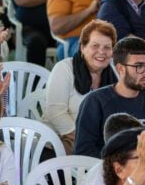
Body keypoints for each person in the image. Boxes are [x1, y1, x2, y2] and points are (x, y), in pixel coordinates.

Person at [44, 20, 118, 153]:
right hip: (63, 138)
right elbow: (55, 113)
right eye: (95, 46)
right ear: (82, 48)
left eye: (107, 47)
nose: (101, 52)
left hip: (101, 140)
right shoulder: (64, 68)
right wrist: (85, 138)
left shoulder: (116, 71)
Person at [75, 36, 145, 157]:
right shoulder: (96, 102)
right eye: (139, 66)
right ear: (120, 69)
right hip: (108, 171)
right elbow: (83, 151)